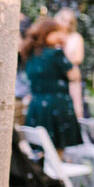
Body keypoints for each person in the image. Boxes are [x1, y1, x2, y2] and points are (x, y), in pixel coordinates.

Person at [21, 18, 83, 150]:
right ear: (47, 33)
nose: (61, 35)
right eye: (57, 32)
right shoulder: (56, 54)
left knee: (40, 151)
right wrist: (65, 51)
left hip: (37, 107)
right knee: (57, 151)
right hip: (57, 107)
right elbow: (75, 76)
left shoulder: (31, 54)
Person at [55, 7, 85, 119]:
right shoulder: (53, 36)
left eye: (69, 22)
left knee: (74, 107)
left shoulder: (76, 38)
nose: (66, 24)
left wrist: (61, 60)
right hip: (56, 77)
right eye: (64, 20)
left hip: (71, 75)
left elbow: (79, 58)